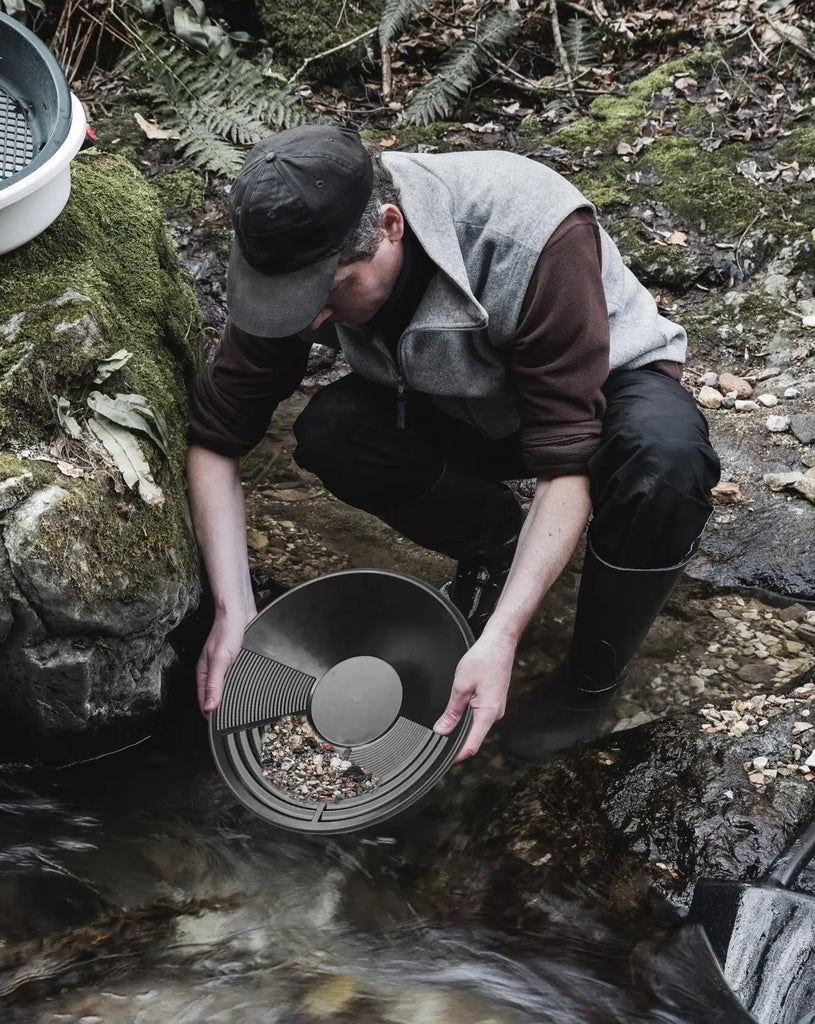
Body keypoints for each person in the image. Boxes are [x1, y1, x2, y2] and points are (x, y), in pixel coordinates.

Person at [186, 124, 720, 763]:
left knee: (664, 465)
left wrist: (502, 637)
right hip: (454, 398)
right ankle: (493, 547)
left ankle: (589, 681)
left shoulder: (529, 233)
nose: (309, 319)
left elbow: (567, 462)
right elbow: (217, 437)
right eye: (289, 303)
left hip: (602, 391)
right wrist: (235, 612)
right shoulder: (290, 256)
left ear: (390, 226)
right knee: (333, 429)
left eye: (328, 293)